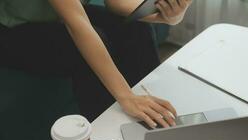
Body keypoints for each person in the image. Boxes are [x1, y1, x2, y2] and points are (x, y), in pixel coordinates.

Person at [0, 0, 192, 128]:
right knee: (81, 50)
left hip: (60, 13)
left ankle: (157, 115)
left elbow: (116, 4)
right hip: (13, 29)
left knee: (134, 28)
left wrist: (170, 16)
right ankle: (108, 139)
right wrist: (125, 96)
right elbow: (77, 23)